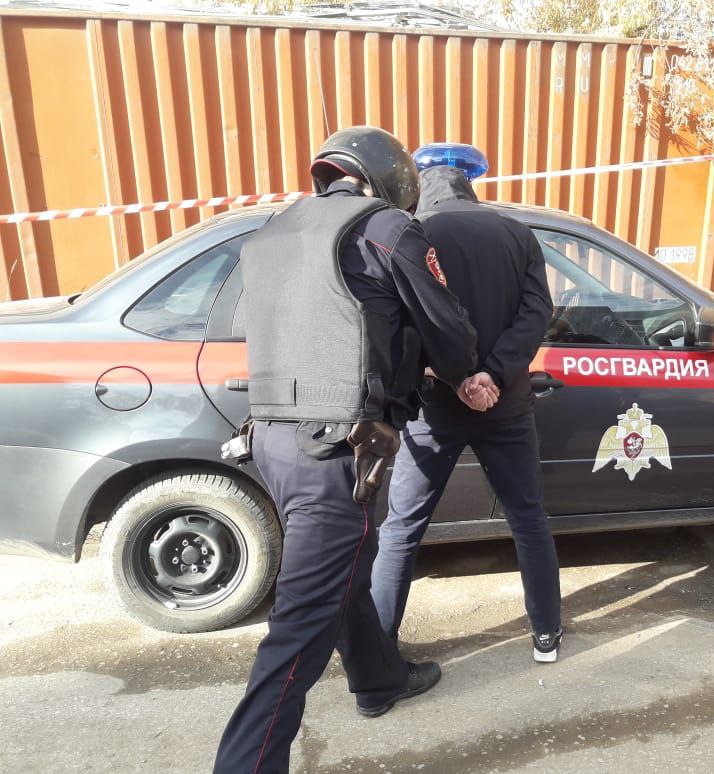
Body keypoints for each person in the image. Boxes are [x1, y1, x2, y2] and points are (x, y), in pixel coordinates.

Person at [215, 126, 479, 773]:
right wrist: (456, 366)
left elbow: (253, 324)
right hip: (336, 451)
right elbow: (447, 328)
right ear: (392, 179)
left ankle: (378, 678)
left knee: (342, 571)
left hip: (271, 440)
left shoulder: (276, 229)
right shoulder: (386, 228)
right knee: (298, 630)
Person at [370, 147, 564, 663]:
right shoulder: (516, 234)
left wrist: (453, 375)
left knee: (402, 528)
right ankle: (546, 633)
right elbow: (536, 312)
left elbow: (402, 321)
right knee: (528, 518)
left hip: (434, 407)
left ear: (421, 187)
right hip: (506, 404)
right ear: (470, 185)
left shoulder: (409, 234)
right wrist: (492, 375)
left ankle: (379, 649)